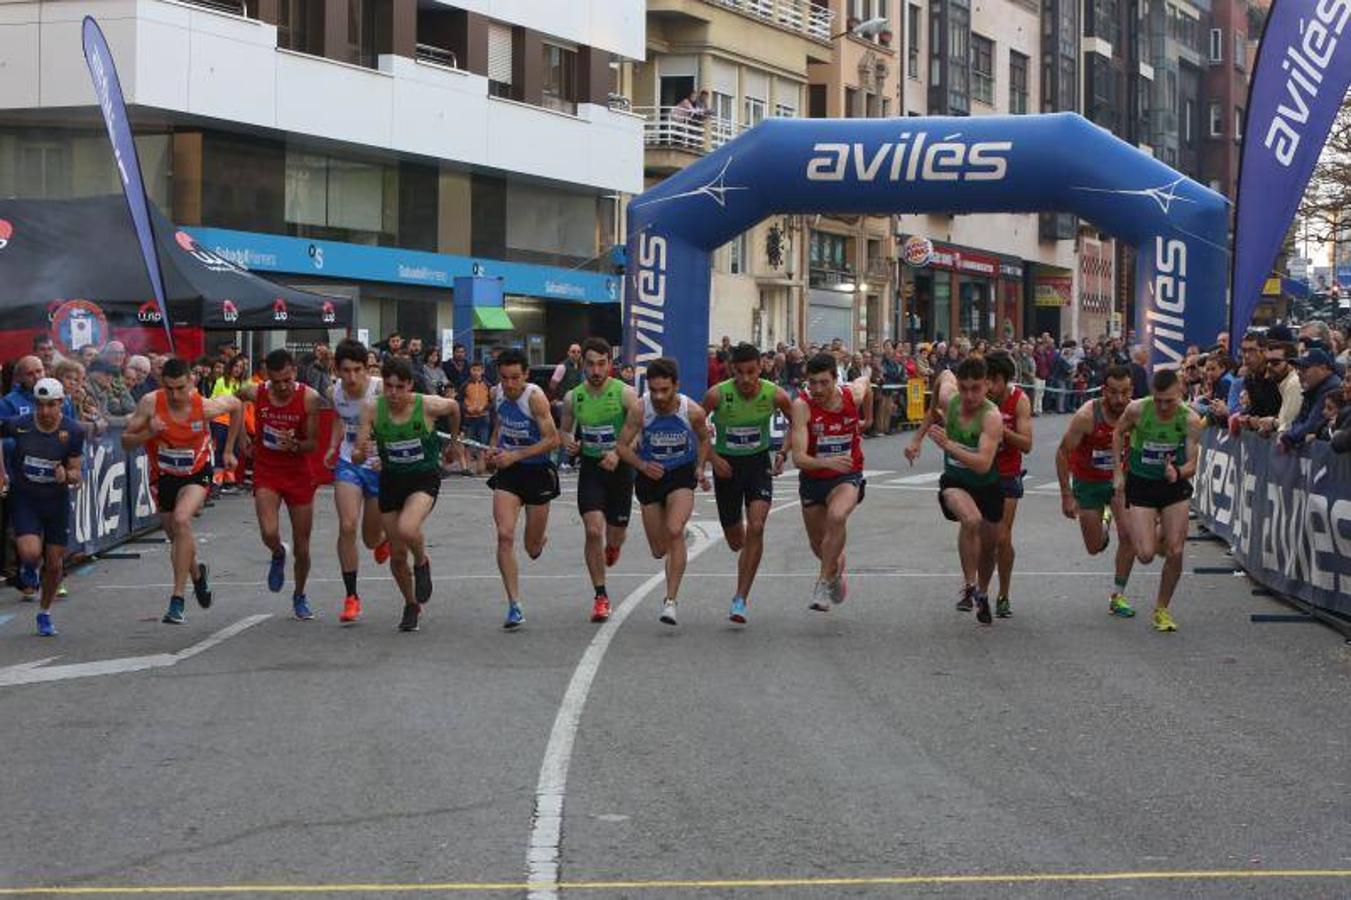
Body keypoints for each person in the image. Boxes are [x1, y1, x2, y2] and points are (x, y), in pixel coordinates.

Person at [122, 358, 240, 624]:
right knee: (177, 538)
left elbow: (237, 406)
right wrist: (148, 433)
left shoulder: (204, 405)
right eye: (170, 388)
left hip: (196, 474)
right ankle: (197, 574)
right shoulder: (151, 403)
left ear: (191, 382)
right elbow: (126, 441)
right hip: (163, 477)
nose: (175, 395)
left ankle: (177, 600)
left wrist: (230, 448)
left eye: (181, 388)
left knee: (181, 519)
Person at [351, 356, 459, 632]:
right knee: (397, 555)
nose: (394, 393)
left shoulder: (427, 405)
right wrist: (360, 453)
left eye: (400, 387)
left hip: (423, 477)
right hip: (391, 479)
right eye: (388, 386)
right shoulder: (373, 409)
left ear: (410, 385)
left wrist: (453, 444)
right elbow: (359, 448)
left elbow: (455, 407)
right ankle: (411, 604)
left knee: (408, 528)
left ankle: (422, 562)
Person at [615, 356, 712, 626]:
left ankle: (670, 601)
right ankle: (674, 546)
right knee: (659, 550)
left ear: (676, 386)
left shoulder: (691, 411)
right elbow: (622, 447)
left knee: (673, 530)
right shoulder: (640, 408)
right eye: (654, 390)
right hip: (650, 477)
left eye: (664, 390)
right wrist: (643, 465)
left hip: (680, 474)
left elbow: (705, 439)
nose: (658, 396)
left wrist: (700, 468)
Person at [907, 356, 1004, 624]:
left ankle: (982, 593)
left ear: (987, 386)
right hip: (956, 482)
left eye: (976, 388)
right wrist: (916, 440)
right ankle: (969, 585)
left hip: (987, 484)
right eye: (964, 388)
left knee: (989, 548)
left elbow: (984, 464)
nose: (969, 395)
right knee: (970, 519)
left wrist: (949, 446)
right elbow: (942, 381)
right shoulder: (951, 399)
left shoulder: (992, 417)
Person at [702, 342, 793, 624]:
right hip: (727, 468)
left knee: (757, 526)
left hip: (757, 465)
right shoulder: (717, 395)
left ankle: (740, 598)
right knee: (736, 541)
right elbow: (697, 426)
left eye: (751, 372)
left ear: (760, 368)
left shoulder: (774, 394)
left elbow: (796, 423)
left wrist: (782, 452)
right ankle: (745, 552)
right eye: (739, 372)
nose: (745, 379)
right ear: (731, 370)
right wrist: (713, 460)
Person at [1112, 368, 1203, 633]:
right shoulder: (1138, 410)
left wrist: (1178, 472)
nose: (1163, 406)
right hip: (1141, 484)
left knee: (1175, 550)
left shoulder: (1190, 420)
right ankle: (1160, 528)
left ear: (1181, 394)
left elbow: (1193, 464)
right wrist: (1118, 472)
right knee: (1146, 554)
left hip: (1173, 486)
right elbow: (1118, 434)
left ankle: (1162, 609)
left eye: (1169, 400)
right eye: (1159, 399)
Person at [234, 350, 322, 620]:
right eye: (276, 381)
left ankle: (300, 594)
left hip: (297, 473)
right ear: (268, 378)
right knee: (269, 532)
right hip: (267, 470)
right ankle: (277, 551)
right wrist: (240, 439)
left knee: (303, 546)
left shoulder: (309, 398)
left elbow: (312, 443)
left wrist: (295, 444)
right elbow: (235, 401)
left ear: (294, 372)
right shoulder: (256, 391)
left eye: (286, 380)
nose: (282, 387)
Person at [560, 337, 639, 623]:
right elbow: (565, 430)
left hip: (620, 469)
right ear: (583, 365)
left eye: (601, 364)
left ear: (610, 364)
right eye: (591, 364)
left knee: (614, 533)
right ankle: (600, 596)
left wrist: (619, 453)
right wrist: (569, 443)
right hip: (592, 467)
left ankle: (614, 545)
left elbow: (638, 429)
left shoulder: (625, 394)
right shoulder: (573, 397)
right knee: (593, 530)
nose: (596, 370)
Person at [0, 379, 83, 635]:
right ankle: (28, 567)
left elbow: (77, 472)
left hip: (55, 502)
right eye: (40, 405)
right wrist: (2, 472)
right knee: (31, 551)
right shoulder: (19, 425)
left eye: (51, 405)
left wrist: (66, 475)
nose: (45, 411)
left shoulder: (73, 431)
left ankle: (45, 613)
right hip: (26, 497)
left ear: (61, 403)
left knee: (55, 565)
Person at [486, 348, 561, 629]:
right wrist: (493, 449)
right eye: (504, 378)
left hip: (538, 472)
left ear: (526, 375)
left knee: (531, 548)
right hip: (509, 473)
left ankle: (539, 540)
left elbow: (553, 439)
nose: (509, 384)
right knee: (504, 536)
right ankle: (514, 604)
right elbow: (500, 425)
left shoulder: (535, 398)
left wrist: (516, 454)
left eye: (515, 377)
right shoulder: (498, 393)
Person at [1055, 365, 1138, 618]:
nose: (1119, 400)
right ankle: (1104, 520)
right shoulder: (1087, 416)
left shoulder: (1136, 413)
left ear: (1131, 390)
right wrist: (1066, 495)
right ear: (1104, 391)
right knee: (1094, 547)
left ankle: (1118, 595)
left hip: (1120, 483)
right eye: (1113, 393)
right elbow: (1062, 453)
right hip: (1088, 482)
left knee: (1129, 536)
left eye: (1125, 393)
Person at [790, 353, 870, 612]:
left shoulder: (851, 396)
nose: (818, 390)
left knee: (837, 516)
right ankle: (834, 572)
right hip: (814, 478)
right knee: (819, 545)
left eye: (824, 382)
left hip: (847, 474)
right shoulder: (802, 406)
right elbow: (799, 458)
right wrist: (827, 462)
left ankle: (822, 583)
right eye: (812, 383)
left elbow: (865, 383)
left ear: (836, 380)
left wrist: (866, 418)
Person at [326, 339, 390, 625]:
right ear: (336, 370)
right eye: (345, 370)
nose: (351, 377)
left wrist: (387, 455)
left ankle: (382, 540)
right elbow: (339, 419)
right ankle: (351, 597)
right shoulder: (334, 391)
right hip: (349, 462)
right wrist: (332, 445)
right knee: (347, 525)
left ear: (368, 368)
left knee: (370, 538)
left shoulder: (381, 390)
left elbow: (399, 421)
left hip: (378, 466)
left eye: (357, 370)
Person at [983, 352, 1032, 618]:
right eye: (986, 380)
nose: (989, 387)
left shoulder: (1019, 400)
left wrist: (1003, 432)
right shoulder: (978, 398)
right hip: (980, 472)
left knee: (1001, 538)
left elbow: (1027, 443)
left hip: (1007, 473)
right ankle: (978, 589)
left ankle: (1003, 594)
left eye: (994, 381)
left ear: (1005, 380)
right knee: (981, 538)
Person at [459, 360, 492, 475]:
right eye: (474, 370)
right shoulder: (465, 385)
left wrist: (484, 407)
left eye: (478, 370)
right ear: (470, 371)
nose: (476, 373)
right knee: (468, 443)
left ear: (482, 371)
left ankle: (480, 469)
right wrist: (467, 409)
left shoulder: (488, 385)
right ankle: (467, 468)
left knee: (482, 444)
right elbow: (460, 401)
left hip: (484, 418)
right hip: (469, 418)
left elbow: (492, 402)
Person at [0, 355, 44, 420]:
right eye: (30, 374)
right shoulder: (8, 403)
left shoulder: (54, 396)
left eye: (39, 371)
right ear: (20, 378)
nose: (36, 377)